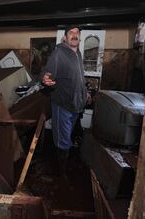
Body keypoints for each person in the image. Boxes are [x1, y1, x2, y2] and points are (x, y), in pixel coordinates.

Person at [41, 25, 89, 182]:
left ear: (79, 36)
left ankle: (65, 162)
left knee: (67, 136)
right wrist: (45, 79)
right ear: (65, 37)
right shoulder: (59, 53)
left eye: (77, 33)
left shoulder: (78, 54)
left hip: (76, 104)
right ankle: (61, 173)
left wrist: (85, 93)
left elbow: (79, 77)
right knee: (62, 140)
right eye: (71, 33)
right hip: (63, 104)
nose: (74, 35)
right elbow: (46, 73)